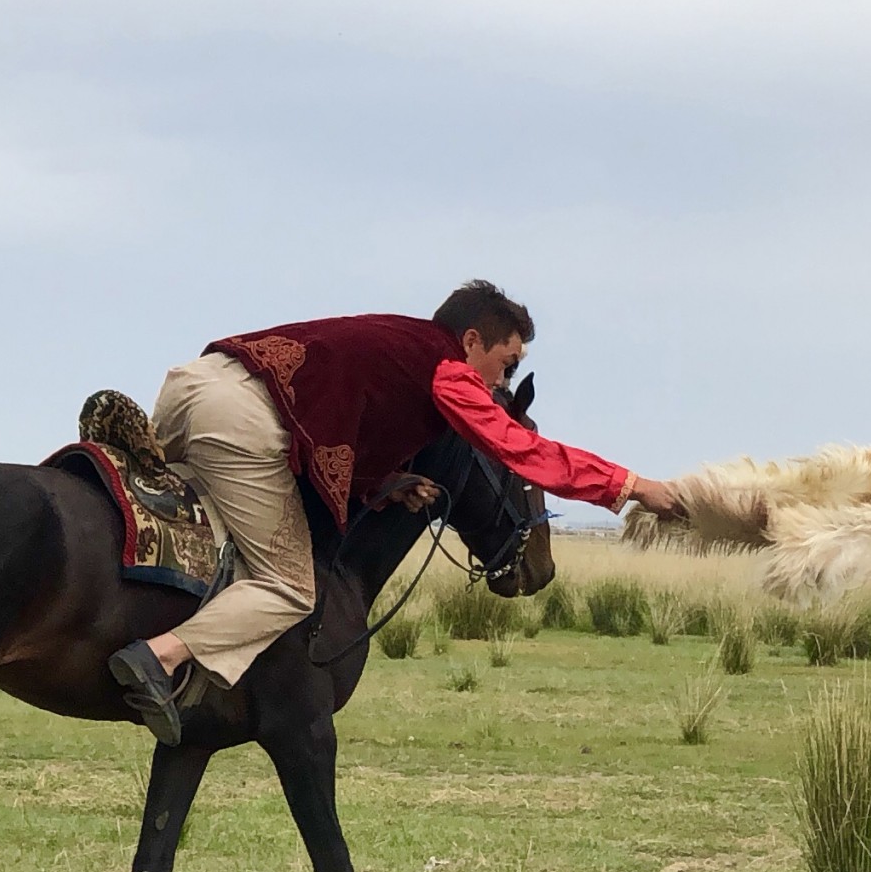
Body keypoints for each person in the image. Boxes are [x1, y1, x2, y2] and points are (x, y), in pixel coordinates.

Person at [107, 281, 685, 746]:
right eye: (505, 365)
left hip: (193, 385)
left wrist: (382, 483)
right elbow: (519, 449)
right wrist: (631, 486)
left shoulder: (396, 343)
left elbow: (337, 425)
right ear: (472, 342)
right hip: (241, 420)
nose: (502, 383)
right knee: (288, 588)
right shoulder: (447, 371)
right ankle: (159, 659)